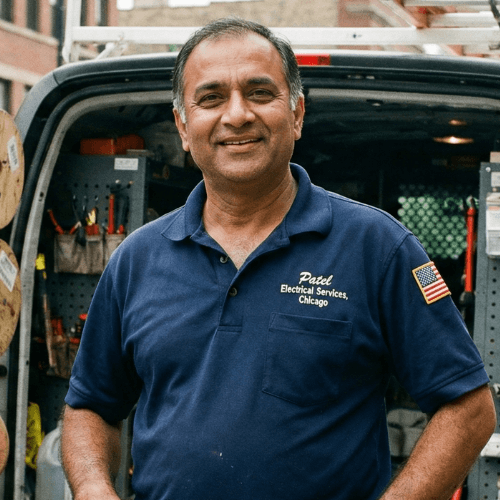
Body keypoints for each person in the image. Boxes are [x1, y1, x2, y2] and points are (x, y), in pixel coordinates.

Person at [61, 17, 496, 500]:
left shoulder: (377, 248)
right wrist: (92, 486)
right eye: (210, 99)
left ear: (297, 114)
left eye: (260, 93)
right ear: (183, 127)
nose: (237, 115)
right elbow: (91, 406)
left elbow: (469, 408)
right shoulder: (136, 260)